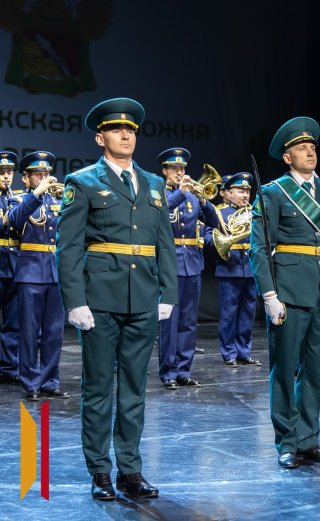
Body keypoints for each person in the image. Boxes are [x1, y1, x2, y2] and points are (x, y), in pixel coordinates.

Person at [56, 97, 177, 500]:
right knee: (97, 390)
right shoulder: (83, 182)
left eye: (130, 130)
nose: (125, 135)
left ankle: (130, 470)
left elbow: (164, 243)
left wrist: (168, 292)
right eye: (116, 130)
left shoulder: (154, 184)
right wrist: (75, 301)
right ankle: (99, 471)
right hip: (99, 300)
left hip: (143, 297)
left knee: (134, 390)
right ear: (100, 138)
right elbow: (68, 248)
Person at [249, 116, 320, 469]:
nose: (310, 152)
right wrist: (269, 294)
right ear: (287, 157)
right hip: (289, 293)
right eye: (301, 148)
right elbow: (259, 248)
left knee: (314, 370)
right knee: (284, 368)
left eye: (312, 147)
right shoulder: (273, 192)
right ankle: (287, 442)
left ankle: (309, 439)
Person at [157, 147, 219, 389]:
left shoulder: (193, 197)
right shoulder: (159, 194)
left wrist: (203, 200)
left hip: (192, 263)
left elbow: (214, 222)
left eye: (182, 168)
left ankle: (184, 370)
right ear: (165, 171)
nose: (180, 172)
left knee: (189, 321)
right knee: (169, 321)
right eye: (174, 168)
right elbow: (158, 215)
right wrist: (180, 193)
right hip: (168, 263)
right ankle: (168, 372)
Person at [7, 151, 66, 401]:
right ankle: (30, 383)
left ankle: (50, 382)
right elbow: (13, 221)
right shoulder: (19, 200)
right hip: (30, 273)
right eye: (38, 175)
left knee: (53, 332)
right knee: (30, 332)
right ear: (26, 178)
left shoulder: (58, 200)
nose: (44, 178)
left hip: (55, 273)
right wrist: (37, 193)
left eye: (46, 174)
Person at [204, 172, 261, 368]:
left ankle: (244, 352)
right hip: (230, 268)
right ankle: (229, 352)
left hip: (251, 268)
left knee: (248, 313)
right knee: (229, 314)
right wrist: (222, 243)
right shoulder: (219, 213)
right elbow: (208, 236)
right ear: (228, 193)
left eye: (247, 191)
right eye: (240, 191)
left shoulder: (254, 212)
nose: (245, 195)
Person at [0, 151, 21, 386]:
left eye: (9, 172)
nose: (6, 176)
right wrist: (7, 218)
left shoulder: (16, 197)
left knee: (13, 322)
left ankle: (8, 367)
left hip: (14, 265)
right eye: (1, 172)